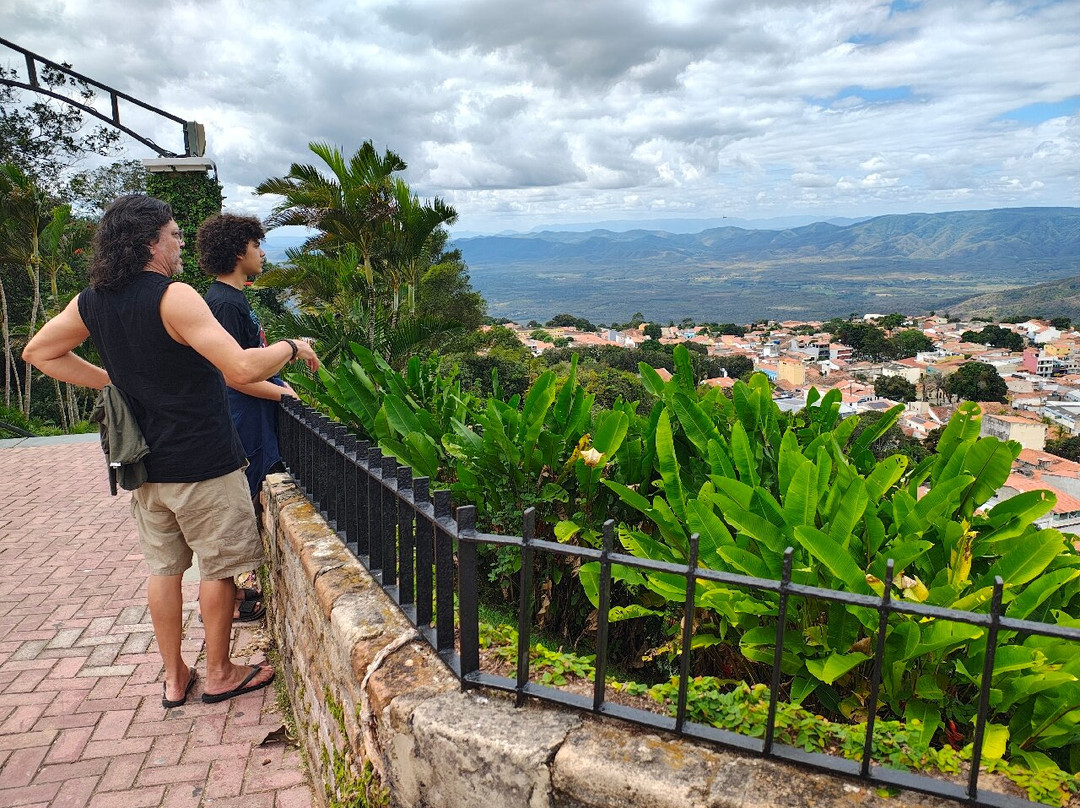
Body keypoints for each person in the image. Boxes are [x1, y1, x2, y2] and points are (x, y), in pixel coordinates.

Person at [22, 195, 320, 708]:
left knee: (163, 571)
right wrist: (293, 345)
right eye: (175, 235)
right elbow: (242, 369)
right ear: (150, 243)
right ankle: (221, 672)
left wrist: (111, 381)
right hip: (202, 460)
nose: (181, 244)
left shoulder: (93, 298)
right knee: (217, 569)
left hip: (143, 465)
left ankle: (174, 676)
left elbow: (39, 351)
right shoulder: (173, 296)